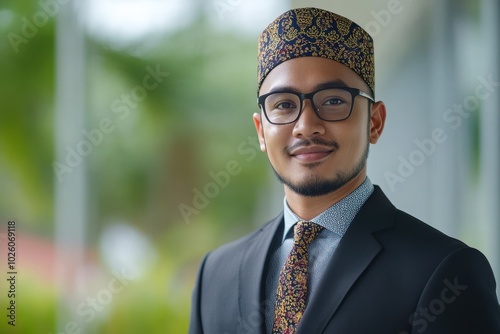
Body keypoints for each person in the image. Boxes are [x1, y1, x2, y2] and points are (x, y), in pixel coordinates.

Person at [189, 7, 500, 334]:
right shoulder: (215, 275)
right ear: (260, 131)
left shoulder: (447, 273)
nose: (306, 127)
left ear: (375, 122)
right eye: (283, 105)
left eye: (334, 101)